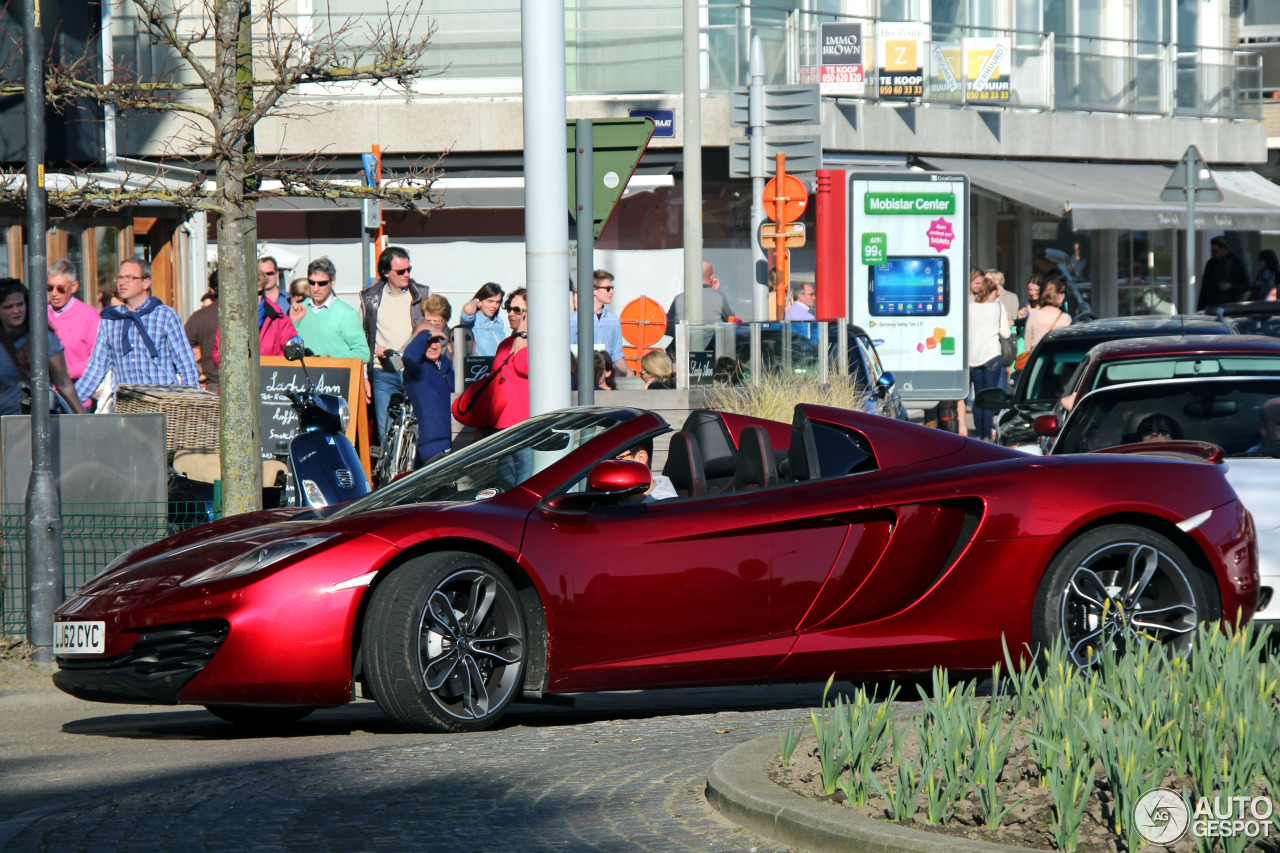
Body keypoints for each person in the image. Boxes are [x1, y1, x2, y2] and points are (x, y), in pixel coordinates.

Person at [75, 258, 202, 400]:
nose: (122, 283)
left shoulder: (165, 315)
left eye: (129, 278)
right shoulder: (110, 320)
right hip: (127, 406)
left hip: (162, 403)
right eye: (120, 278)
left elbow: (186, 364)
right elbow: (95, 369)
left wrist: (192, 401)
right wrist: (69, 403)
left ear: (146, 283)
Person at [360, 246, 429, 440]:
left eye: (409, 270)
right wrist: (364, 375)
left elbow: (436, 324)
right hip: (384, 372)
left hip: (414, 369)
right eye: (401, 271)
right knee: (386, 431)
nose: (407, 274)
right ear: (385, 272)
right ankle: (388, 470)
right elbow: (360, 338)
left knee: (417, 429)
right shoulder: (370, 298)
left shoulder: (421, 294)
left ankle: (413, 470)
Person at [0, 279, 85, 415]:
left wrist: (83, 420)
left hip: (41, 421)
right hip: (5, 425)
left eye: (20, 304)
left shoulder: (42, 338)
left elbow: (64, 383)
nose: (16, 311)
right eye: (8, 307)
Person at [212, 270, 300, 366]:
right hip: (240, 377)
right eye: (250, 293)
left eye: (259, 293)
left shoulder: (280, 320)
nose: (255, 298)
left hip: (272, 377)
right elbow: (218, 352)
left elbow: (292, 355)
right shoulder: (230, 320)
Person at [295, 257, 369, 361]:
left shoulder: (347, 314)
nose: (316, 288)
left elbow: (363, 354)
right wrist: (294, 322)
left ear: (332, 282)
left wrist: (330, 360)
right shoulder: (299, 308)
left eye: (322, 283)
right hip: (303, 375)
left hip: (335, 375)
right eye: (312, 283)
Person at [401, 321, 455, 465]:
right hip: (433, 448)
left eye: (436, 340)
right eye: (427, 341)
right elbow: (409, 357)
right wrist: (426, 334)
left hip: (457, 442)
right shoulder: (416, 370)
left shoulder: (447, 366)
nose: (433, 345)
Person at [45, 258, 100, 393]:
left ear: (74, 287)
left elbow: (98, 361)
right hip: (45, 395)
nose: (54, 293)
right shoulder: (39, 313)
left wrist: (68, 371)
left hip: (79, 394)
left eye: (60, 289)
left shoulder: (90, 316)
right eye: (50, 288)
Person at [967, 273, 1011, 441]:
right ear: (991, 292)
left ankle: (979, 432)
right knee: (990, 395)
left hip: (974, 356)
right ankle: (987, 434)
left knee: (978, 395)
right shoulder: (997, 307)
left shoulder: (970, 307)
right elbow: (1005, 333)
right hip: (992, 355)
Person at [570, 269, 632, 377]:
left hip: (606, 379)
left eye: (612, 288)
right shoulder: (574, 320)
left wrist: (629, 372)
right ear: (594, 290)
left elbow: (616, 355)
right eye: (608, 289)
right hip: (582, 379)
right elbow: (568, 354)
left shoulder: (613, 320)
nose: (612, 292)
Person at [665, 261, 735, 343]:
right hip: (714, 349)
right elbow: (731, 321)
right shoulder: (719, 297)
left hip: (685, 349)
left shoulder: (679, 299)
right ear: (712, 278)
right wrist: (714, 293)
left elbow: (668, 328)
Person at [184, 270, 220, 391]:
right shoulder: (253, 314)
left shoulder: (200, 317)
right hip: (255, 385)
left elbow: (181, 350)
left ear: (212, 291)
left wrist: (197, 375)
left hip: (214, 386)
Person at [615, 437, 678, 502]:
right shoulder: (617, 497)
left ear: (640, 459)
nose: (612, 468)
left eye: (619, 459)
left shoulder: (662, 507)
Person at [1197, 236, 1251, 310]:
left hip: (1232, 306)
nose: (1214, 254)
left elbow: (1246, 285)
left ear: (1224, 248)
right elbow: (1204, 288)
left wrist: (1231, 286)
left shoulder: (1237, 263)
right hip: (1213, 306)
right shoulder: (1211, 264)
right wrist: (1201, 308)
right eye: (1212, 251)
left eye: (1216, 251)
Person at [458, 282, 506, 358]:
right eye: (490, 301)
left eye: (498, 302)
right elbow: (468, 309)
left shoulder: (499, 321)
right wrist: (476, 301)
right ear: (480, 301)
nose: (494, 306)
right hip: (480, 366)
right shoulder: (474, 319)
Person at [258, 256, 289, 321]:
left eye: (269, 273)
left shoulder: (290, 300)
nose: (266, 277)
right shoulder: (251, 302)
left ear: (277, 274)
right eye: (261, 274)